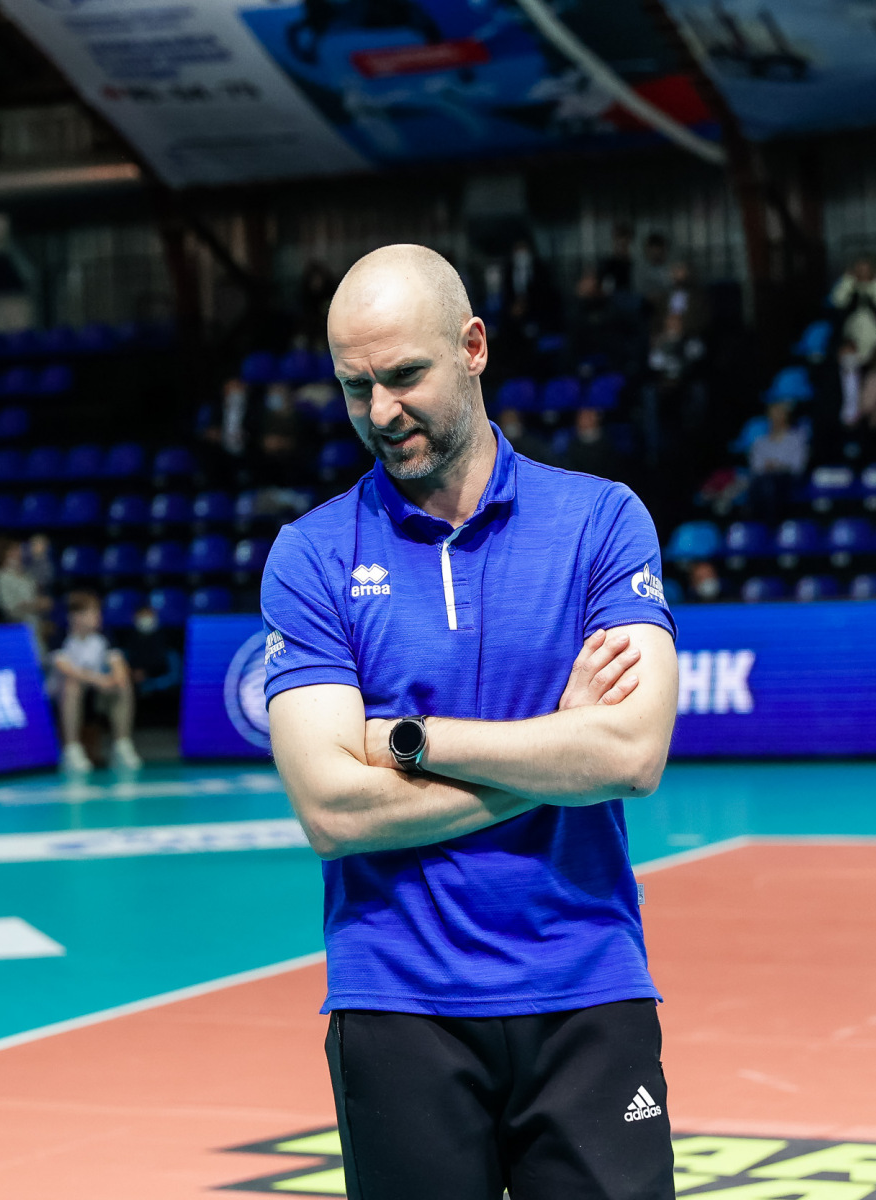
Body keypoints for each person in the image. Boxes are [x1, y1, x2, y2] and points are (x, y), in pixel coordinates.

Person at [263, 243, 679, 1200]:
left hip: (587, 988)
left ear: (474, 347)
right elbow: (334, 811)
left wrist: (409, 741)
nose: (381, 412)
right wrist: (556, 756)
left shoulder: (602, 521)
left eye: (404, 376)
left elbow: (631, 754)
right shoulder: (311, 555)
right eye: (355, 387)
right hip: (396, 1002)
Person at [51, 590, 140, 772]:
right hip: (62, 695)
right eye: (92, 613)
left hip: (96, 693)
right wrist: (99, 680)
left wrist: (115, 680)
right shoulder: (60, 637)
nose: (98, 617)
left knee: (123, 685)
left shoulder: (104, 636)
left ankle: (122, 745)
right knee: (72, 686)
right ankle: (71, 750)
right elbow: (66, 669)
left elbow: (119, 665)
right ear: (76, 616)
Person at [748, 400, 809, 519]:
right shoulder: (760, 443)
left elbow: (797, 467)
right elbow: (756, 467)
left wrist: (777, 466)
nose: (776, 417)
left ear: (786, 416)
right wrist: (771, 468)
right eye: (773, 414)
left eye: (780, 413)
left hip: (788, 482)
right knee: (762, 484)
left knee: (772, 484)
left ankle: (774, 522)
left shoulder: (797, 440)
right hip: (763, 482)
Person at [0, 536, 51, 657]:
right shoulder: (0, 576)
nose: (18, 553)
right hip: (19, 629)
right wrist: (36, 605)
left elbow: (45, 578)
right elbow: (9, 607)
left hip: (37, 624)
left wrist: (40, 557)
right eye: (14, 550)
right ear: (5, 553)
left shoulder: (25, 572)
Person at [829, 255, 876, 365]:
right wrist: (847, 281)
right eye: (860, 269)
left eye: (866, 269)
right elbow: (838, 301)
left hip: (875, 331)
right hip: (851, 332)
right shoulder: (849, 285)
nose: (863, 272)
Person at [116, 602, 181, 699]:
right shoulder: (126, 640)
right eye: (142, 615)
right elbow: (121, 666)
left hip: (162, 691)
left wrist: (150, 681)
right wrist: (131, 674)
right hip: (133, 688)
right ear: (135, 618)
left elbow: (174, 676)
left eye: (149, 615)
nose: (146, 619)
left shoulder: (168, 640)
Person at [559, 405, 622, 480]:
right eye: (582, 415)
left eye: (589, 415)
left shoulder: (610, 442)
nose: (585, 418)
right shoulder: (566, 441)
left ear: (598, 418)